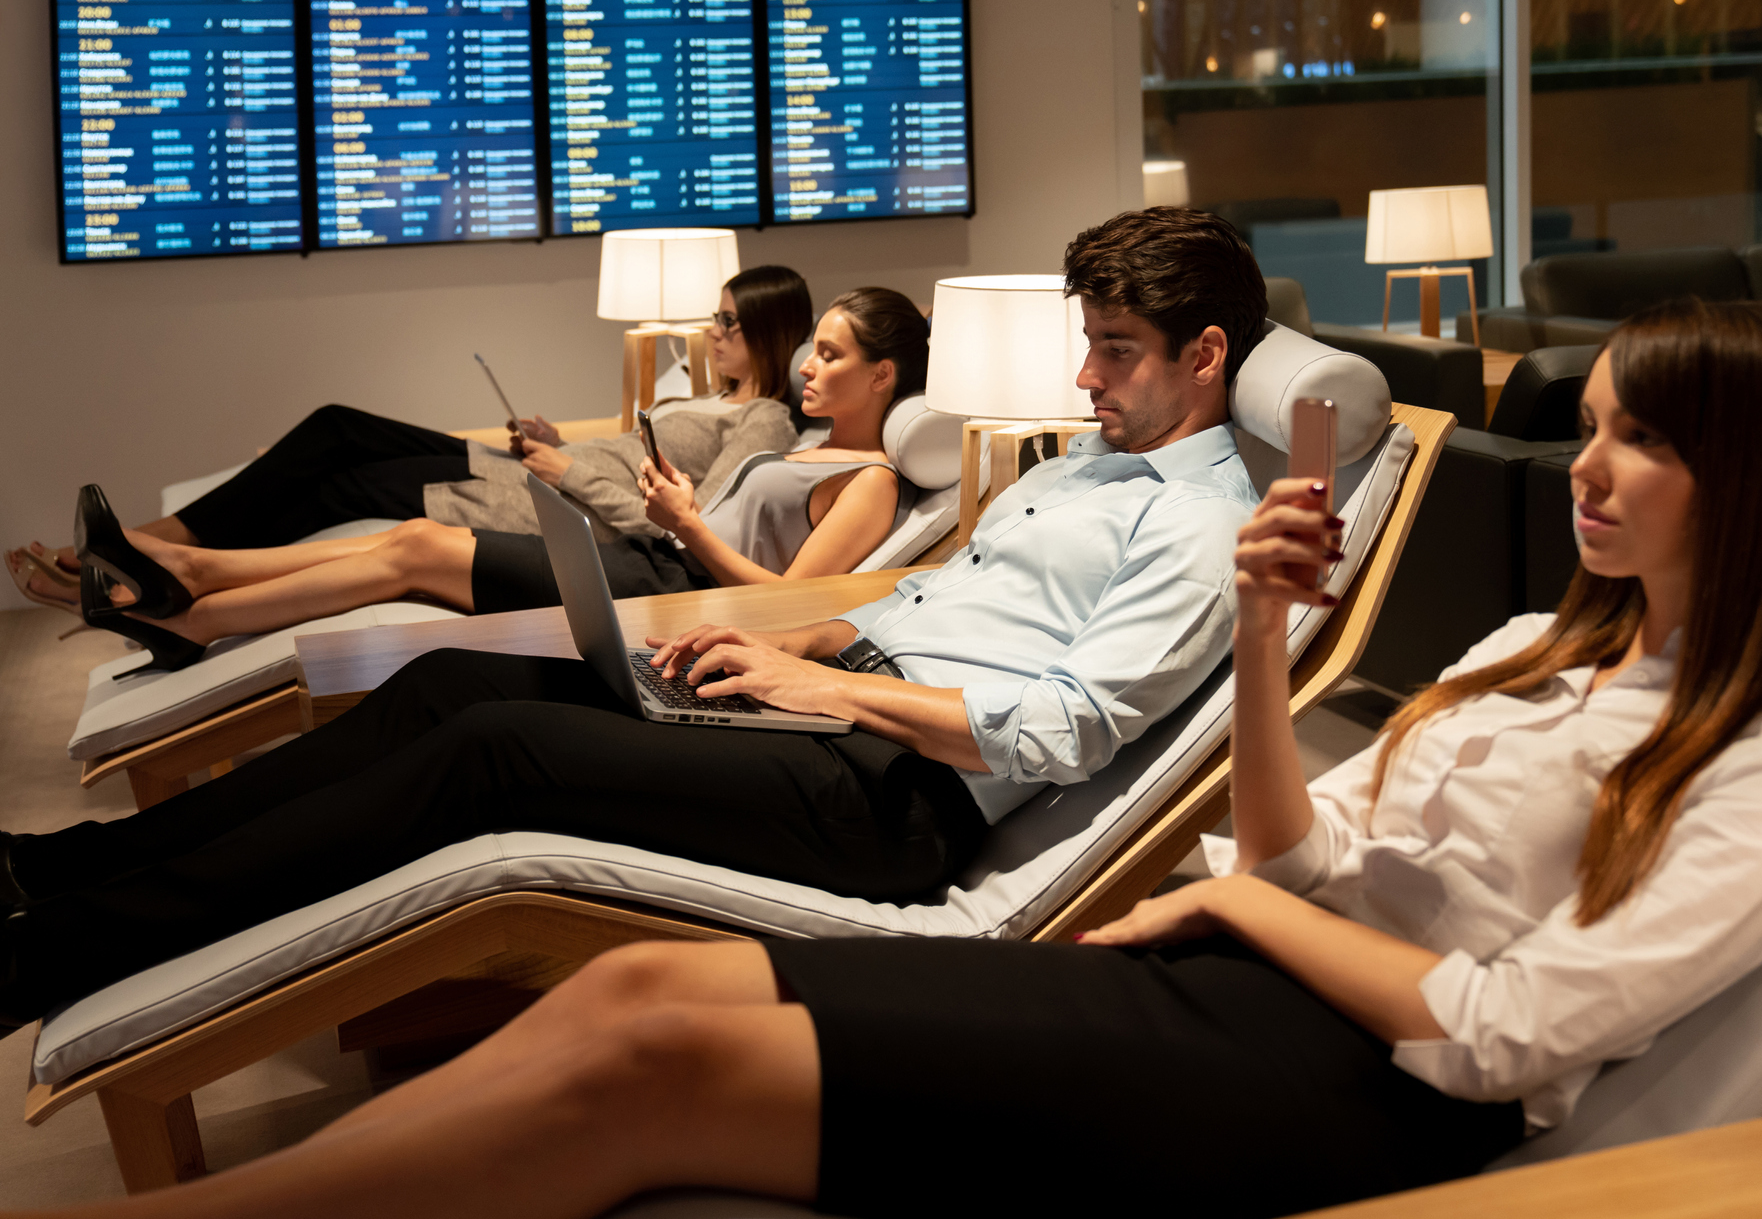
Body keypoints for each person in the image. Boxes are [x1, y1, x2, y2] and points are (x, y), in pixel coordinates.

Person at [5, 298, 1762, 1219]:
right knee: (640, 975)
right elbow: (1295, 856)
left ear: (1756, 485)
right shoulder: (1518, 653)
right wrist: (1257, 636)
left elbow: (1507, 1029)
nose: (1595, 474)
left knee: (646, 1053)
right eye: (1596, 427)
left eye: (1645, 446)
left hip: (1358, 1085)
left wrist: (1216, 912)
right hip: (1227, 965)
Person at [0, 206, 1268, 1030]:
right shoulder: (1072, 472)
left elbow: (1070, 725)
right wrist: (786, 648)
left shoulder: (1204, 522)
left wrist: (833, 690)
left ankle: (54, 952)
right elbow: (927, 605)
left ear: (1204, 353)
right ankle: (68, 868)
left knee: (497, 752)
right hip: (833, 716)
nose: (1086, 375)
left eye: (1114, 349)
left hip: (892, 798)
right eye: (1088, 344)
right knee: (452, 683)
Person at [59, 287, 931, 676]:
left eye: (831, 353)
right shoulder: (805, 443)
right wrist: (685, 508)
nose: (808, 366)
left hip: (670, 589)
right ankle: (194, 590)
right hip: (658, 556)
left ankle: (195, 606)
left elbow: (794, 606)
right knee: (408, 541)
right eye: (812, 347)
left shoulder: (872, 481)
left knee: (417, 547)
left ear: (884, 375)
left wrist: (690, 527)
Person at [4, 264, 813, 616]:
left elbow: (684, 521)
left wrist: (567, 468)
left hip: (543, 506)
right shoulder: (703, 390)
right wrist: (554, 438)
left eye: (728, 322)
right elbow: (626, 451)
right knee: (336, 427)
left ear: (770, 334)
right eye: (715, 315)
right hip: (531, 472)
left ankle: (138, 562)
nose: (712, 331)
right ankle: (143, 544)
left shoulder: (765, 421)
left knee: (343, 488)